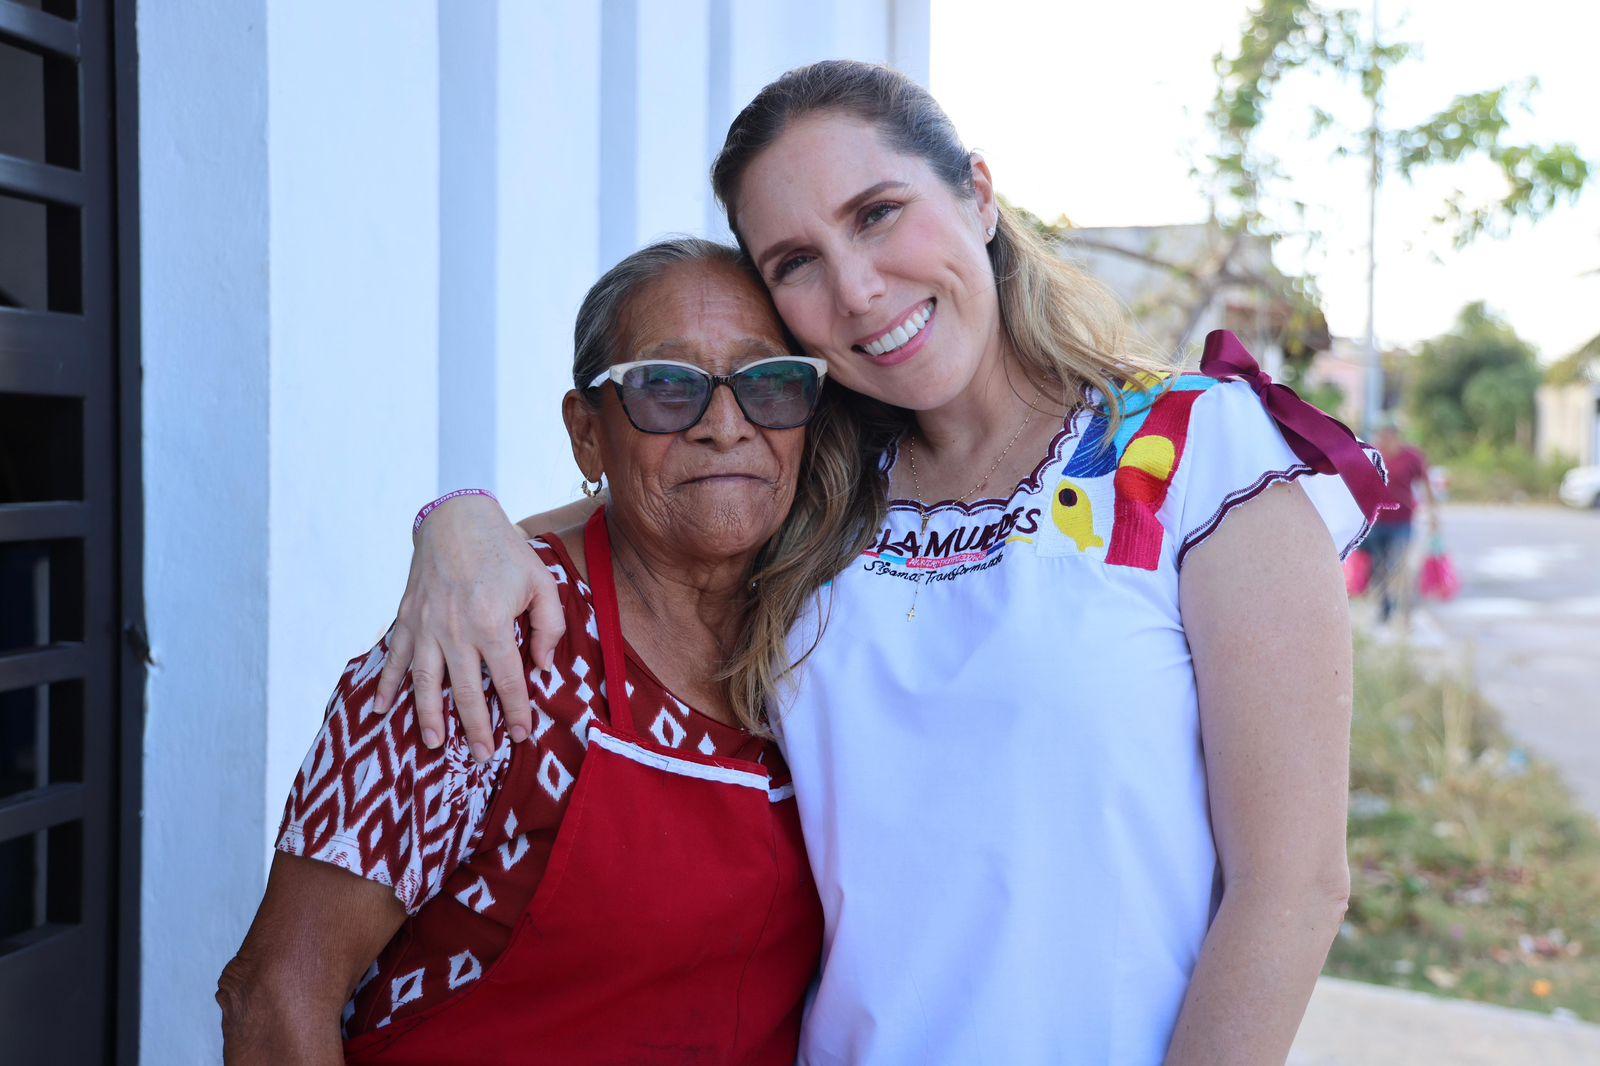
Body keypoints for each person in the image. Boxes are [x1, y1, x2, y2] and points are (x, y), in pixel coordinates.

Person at [376, 62, 1394, 1064]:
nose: (858, 290)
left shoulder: (1193, 457)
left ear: (978, 196)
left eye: (876, 213)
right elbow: (629, 498)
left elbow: (1292, 886)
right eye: (795, 263)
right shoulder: (818, 491)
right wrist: (460, 524)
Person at [215, 238, 865, 1064]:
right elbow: (275, 993)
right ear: (587, 434)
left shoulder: (837, 633)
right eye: (667, 389)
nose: (725, 426)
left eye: (768, 383)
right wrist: (453, 514)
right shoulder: (480, 648)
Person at [1365, 418, 1438, 626]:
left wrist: (1433, 515)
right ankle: (1384, 606)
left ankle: (1401, 609)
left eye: (1387, 435)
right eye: (1380, 435)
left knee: (1399, 564)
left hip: (1402, 521)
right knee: (1379, 567)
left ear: (1395, 436)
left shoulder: (1411, 457)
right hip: (1376, 520)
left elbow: (1426, 484)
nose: (1383, 439)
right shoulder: (1373, 454)